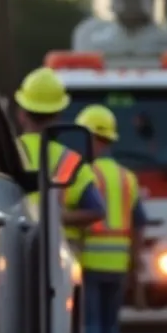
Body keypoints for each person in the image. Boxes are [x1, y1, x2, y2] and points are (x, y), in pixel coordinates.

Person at [70, 104, 148, 333]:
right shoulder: (127, 177)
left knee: (90, 326)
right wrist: (135, 266)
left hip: (88, 260)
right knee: (109, 326)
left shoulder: (83, 173)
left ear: (91, 138)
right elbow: (138, 224)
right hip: (117, 264)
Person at [12, 67, 104, 234]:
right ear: (58, 116)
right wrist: (54, 218)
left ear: (21, 113)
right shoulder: (70, 159)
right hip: (57, 252)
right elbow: (97, 210)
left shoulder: (3, 150)